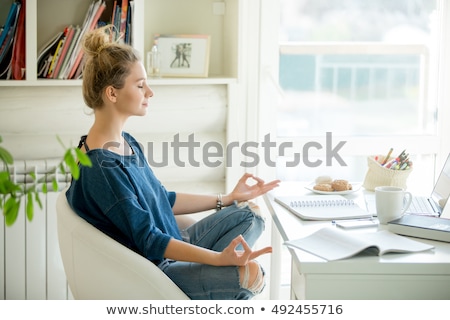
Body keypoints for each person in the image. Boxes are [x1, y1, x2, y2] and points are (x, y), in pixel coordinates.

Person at [66, 25, 280, 300]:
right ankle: (217, 279)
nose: (150, 93)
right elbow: (150, 240)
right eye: (141, 85)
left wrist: (227, 198)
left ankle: (217, 278)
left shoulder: (125, 141)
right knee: (251, 275)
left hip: (175, 242)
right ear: (112, 94)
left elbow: (162, 199)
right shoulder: (102, 169)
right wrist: (217, 259)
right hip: (157, 271)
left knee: (251, 213)